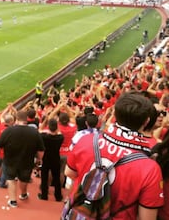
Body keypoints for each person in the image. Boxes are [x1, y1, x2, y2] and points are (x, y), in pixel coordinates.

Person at [65, 92, 164, 220]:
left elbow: (69, 172)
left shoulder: (87, 140)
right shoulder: (150, 167)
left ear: (115, 115)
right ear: (147, 121)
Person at [0, 110, 44, 208]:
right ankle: (23, 194)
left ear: (16, 119)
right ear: (26, 119)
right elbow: (41, 150)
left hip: (10, 160)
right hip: (27, 161)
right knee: (24, 179)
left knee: (11, 179)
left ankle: (13, 201)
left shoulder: (8, 130)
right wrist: (39, 160)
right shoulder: (34, 132)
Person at [38, 118, 64, 202]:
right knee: (56, 178)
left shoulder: (44, 136)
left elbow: (40, 129)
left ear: (48, 127)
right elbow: (59, 132)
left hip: (46, 158)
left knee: (44, 177)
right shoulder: (60, 137)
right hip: (56, 158)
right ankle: (58, 196)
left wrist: (45, 120)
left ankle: (44, 195)